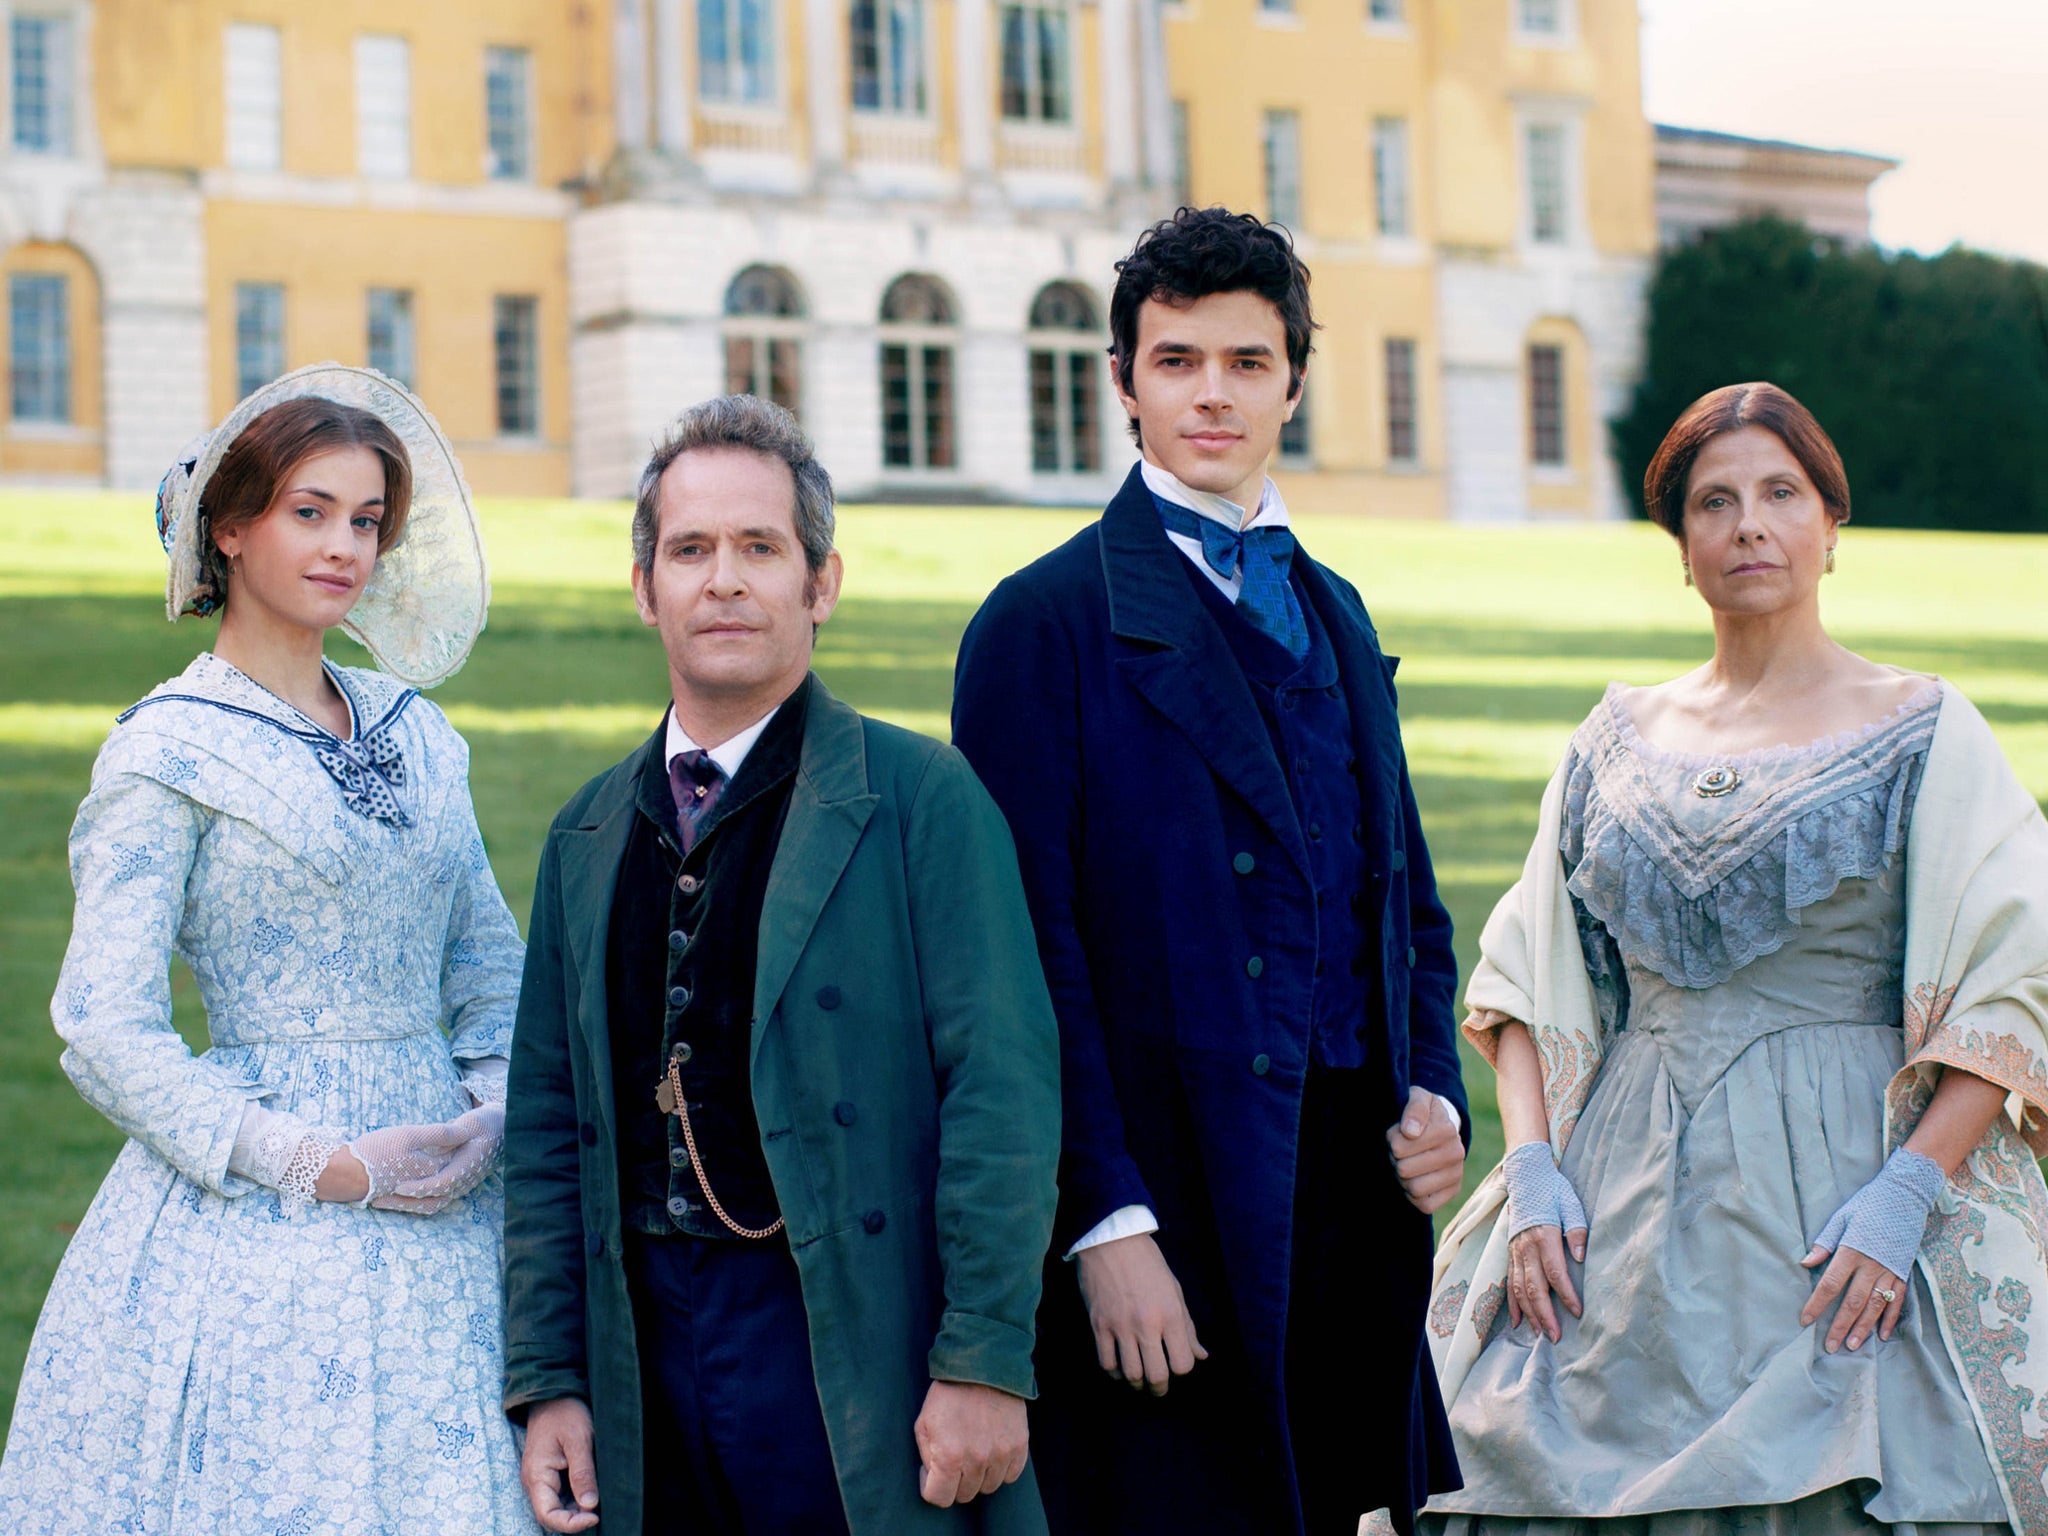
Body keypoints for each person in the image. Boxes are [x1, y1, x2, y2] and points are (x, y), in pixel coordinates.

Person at [1423, 381, 2048, 1536]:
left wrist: (1907, 1194)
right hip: (1613, 1201)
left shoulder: (1922, 727)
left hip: (1844, 1192)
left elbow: (2009, 987)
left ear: (1828, 526)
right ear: (1679, 546)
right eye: (1712, 503)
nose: (1747, 525)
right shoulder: (1608, 739)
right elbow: (1524, 980)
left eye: (1778, 494)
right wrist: (1529, 1178)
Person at [951, 206, 1469, 1536]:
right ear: (1120, 381)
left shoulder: (1338, 609)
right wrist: (1105, 1224)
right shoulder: (1041, 625)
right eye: (1177, 361)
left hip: (1349, 1189)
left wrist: (1430, 1081)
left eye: (1247, 361)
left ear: (1296, 378)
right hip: (1173, 1198)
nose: (1213, 394)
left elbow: (1399, 889)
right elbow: (1025, 967)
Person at [501, 394, 1061, 1536]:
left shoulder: (921, 801)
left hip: (847, 1334)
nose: (723, 579)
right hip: (640, 1350)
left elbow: (1000, 1094)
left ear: (821, 583)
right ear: (644, 586)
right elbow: (550, 1124)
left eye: (760, 547)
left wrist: (984, 1360)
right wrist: (550, 1377)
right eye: (690, 549)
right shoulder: (585, 832)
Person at [0, 364, 530, 1532]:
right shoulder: (167, 753)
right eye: (310, 511)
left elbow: (492, 967)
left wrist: (488, 1111)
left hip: (448, 1183)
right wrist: (321, 1166)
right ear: (228, 528)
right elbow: (103, 1025)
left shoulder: (419, 733)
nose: (344, 545)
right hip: (260, 1199)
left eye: (366, 520)